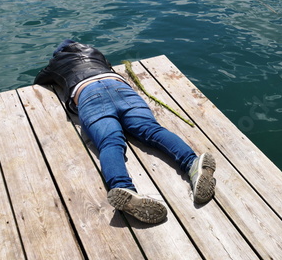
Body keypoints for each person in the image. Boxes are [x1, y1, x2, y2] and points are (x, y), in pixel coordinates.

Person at [34, 39, 216, 224]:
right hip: (119, 87)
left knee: (110, 142)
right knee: (152, 130)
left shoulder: (56, 62)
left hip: (89, 94)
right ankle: (192, 163)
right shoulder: (94, 52)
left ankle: (123, 187)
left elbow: (40, 80)